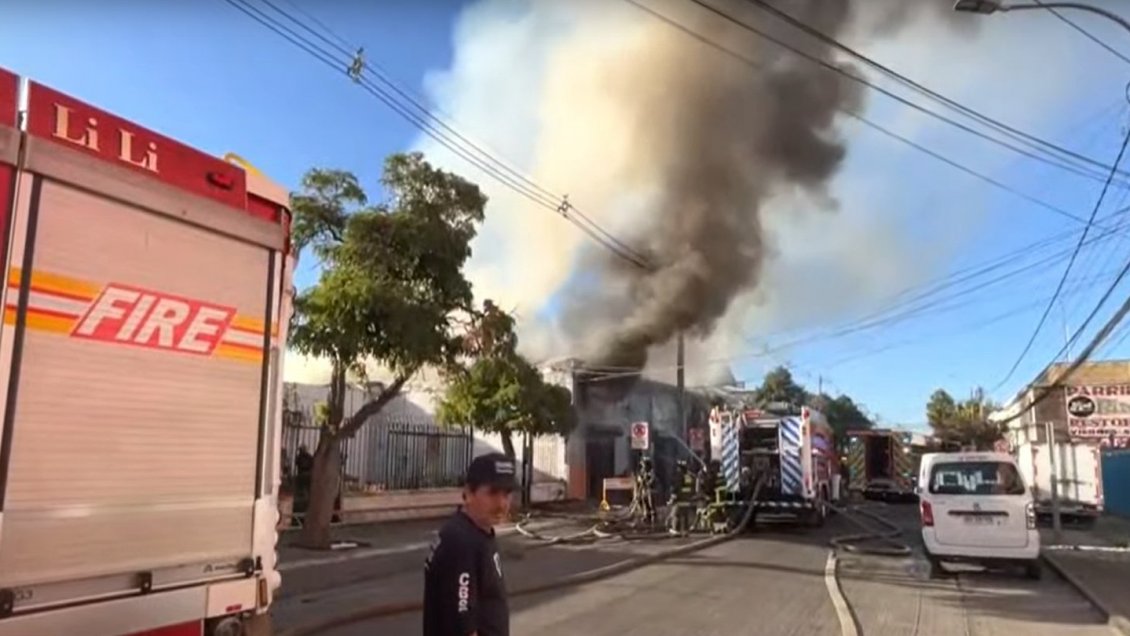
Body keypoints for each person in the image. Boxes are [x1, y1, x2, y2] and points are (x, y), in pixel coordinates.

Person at [424, 453, 515, 636]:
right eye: (493, 493)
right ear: (468, 493)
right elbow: (462, 626)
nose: (502, 503)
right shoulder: (461, 543)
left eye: (507, 493)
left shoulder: (478, 533)